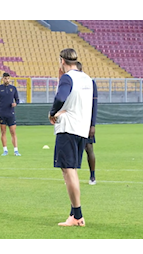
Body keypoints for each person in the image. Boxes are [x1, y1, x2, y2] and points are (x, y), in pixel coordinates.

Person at [48, 48, 97, 226]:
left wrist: (53, 112)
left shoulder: (67, 78)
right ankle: (73, 213)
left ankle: (77, 216)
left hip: (67, 127)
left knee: (68, 171)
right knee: (73, 170)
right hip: (81, 129)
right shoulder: (87, 79)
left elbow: (61, 96)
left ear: (62, 60)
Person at [0, 72, 21, 156]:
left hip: (10, 113)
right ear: (2, 79)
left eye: (8, 78)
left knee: (13, 131)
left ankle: (16, 150)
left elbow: (17, 100)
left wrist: (16, 103)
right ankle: (5, 150)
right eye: (5, 78)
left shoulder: (13, 88)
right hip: (2, 113)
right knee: (3, 132)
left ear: (10, 79)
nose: (7, 80)